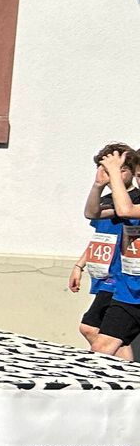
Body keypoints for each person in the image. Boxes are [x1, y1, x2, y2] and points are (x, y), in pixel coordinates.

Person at [76, 144, 140, 361]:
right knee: (102, 344)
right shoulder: (116, 200)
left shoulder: (132, 202)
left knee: (105, 344)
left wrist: (113, 172)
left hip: (125, 285)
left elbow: (125, 210)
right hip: (128, 289)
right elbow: (92, 213)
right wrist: (98, 185)